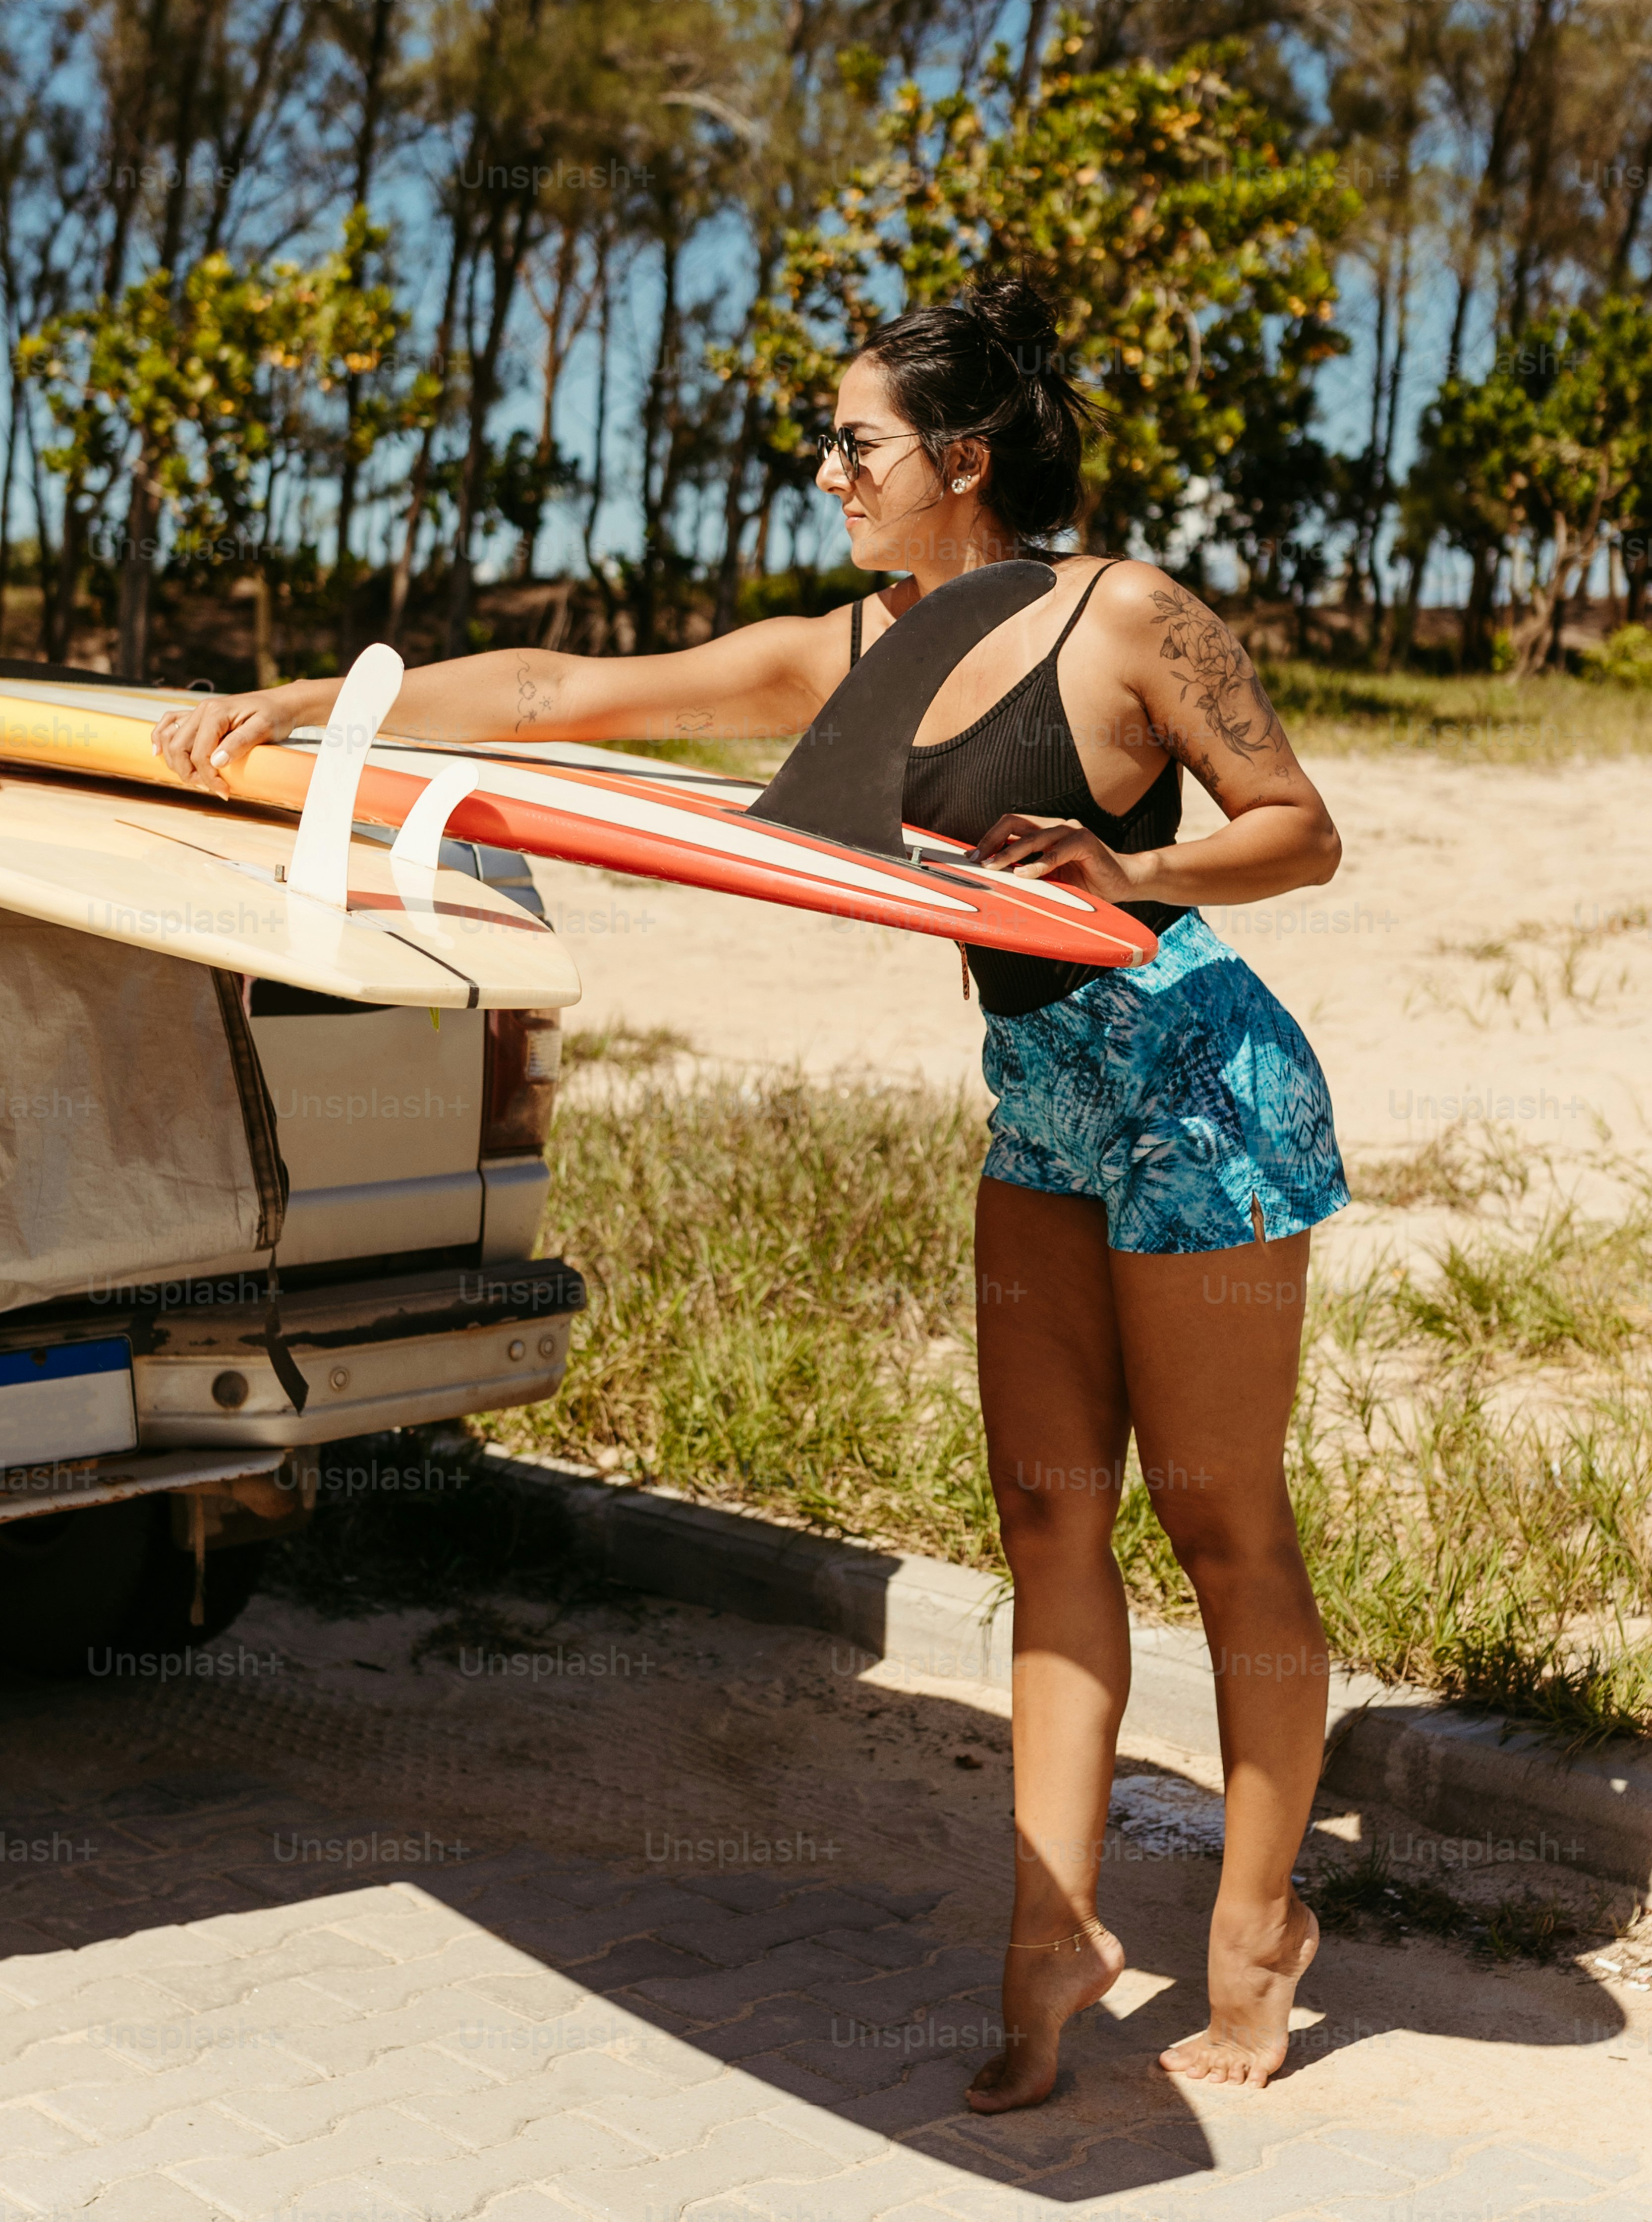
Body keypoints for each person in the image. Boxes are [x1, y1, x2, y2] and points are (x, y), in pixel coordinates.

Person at [154, 273, 1348, 2109]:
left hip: (1204, 1081)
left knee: (1222, 1530)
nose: (827, 469)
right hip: (1044, 1100)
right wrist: (337, 701)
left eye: (854, 443)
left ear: (959, 460)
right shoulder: (841, 645)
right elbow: (568, 692)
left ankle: (1263, 1926)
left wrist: (1129, 860)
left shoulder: (1126, 621)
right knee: (1046, 1524)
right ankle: (1054, 1941)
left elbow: (1301, 830)